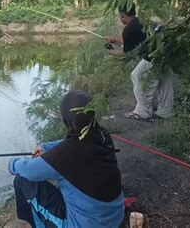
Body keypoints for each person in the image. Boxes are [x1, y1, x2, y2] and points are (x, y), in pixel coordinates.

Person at [8, 90, 124, 228]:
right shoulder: (102, 134)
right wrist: (45, 147)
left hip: (82, 225)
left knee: (22, 180)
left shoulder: (66, 155)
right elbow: (71, 145)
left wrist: (13, 164)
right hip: (114, 217)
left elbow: (28, 171)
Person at [105, 4, 173, 120]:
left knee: (137, 75)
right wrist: (115, 40)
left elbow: (128, 53)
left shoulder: (129, 29)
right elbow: (135, 41)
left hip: (154, 55)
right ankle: (165, 112)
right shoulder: (140, 21)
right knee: (163, 78)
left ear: (122, 15)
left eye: (119, 16)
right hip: (168, 49)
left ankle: (142, 112)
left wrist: (109, 52)